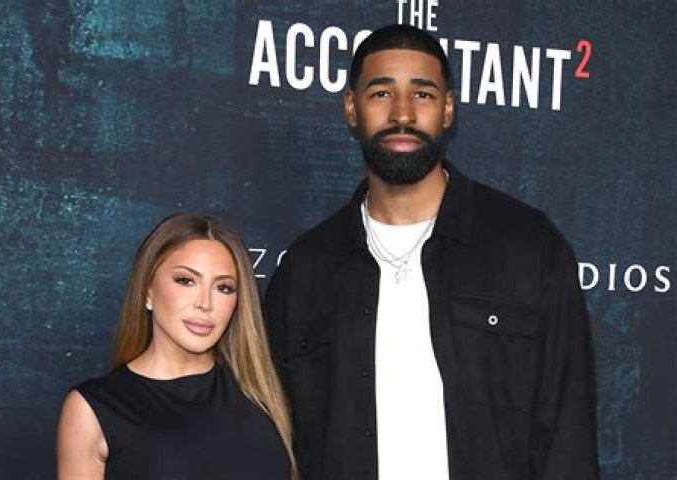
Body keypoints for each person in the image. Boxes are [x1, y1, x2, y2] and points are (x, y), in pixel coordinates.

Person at [265, 24, 598, 479]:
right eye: (381, 93)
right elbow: (277, 439)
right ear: (351, 108)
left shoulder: (528, 245)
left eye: (422, 94)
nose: (402, 113)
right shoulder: (306, 268)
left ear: (447, 109)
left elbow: (567, 433)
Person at [57, 214, 297, 479]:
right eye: (186, 280)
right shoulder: (96, 408)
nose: (205, 303)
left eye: (224, 287)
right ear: (147, 290)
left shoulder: (261, 395)